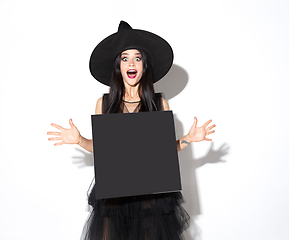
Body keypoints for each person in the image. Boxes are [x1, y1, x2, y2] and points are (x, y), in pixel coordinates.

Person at [47, 21, 215, 240]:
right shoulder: (104, 103)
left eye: (137, 57)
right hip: (114, 197)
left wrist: (188, 139)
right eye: (125, 58)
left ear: (144, 65)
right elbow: (102, 150)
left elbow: (164, 153)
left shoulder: (159, 103)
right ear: (118, 66)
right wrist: (79, 140)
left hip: (150, 197)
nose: (131, 63)